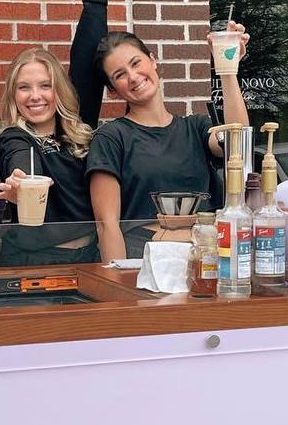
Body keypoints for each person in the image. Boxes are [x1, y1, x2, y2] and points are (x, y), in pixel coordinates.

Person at [86, 22, 250, 263]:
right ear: (112, 90)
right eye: (120, 75)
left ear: (152, 60)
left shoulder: (196, 128)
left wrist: (227, 66)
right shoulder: (111, 138)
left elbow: (238, 142)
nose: (133, 77)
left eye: (136, 63)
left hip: (206, 257)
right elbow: (107, 226)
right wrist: (119, 286)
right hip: (146, 260)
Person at [0, 0, 108, 247]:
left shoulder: (80, 129)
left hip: (88, 261)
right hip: (34, 266)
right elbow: (22, 164)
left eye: (45, 85)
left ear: (59, 91)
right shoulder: (13, 137)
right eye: (24, 87)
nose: (35, 96)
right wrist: (20, 184)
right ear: (14, 96)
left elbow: (87, 53)